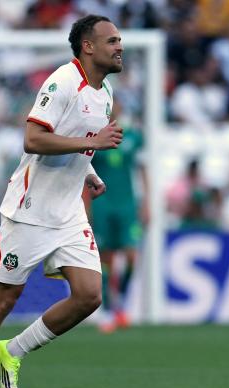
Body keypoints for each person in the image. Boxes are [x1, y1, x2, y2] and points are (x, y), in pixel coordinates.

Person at [0, 15, 124, 388]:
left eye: (120, 41)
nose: (119, 47)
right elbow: (33, 139)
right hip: (29, 212)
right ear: (88, 47)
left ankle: (13, 351)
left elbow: (77, 143)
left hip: (68, 212)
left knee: (90, 295)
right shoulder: (62, 82)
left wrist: (90, 171)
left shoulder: (105, 92)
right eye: (111, 40)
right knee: (2, 302)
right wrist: (92, 142)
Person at [90, 100, 146, 333]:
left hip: (127, 204)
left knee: (133, 255)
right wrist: (87, 207)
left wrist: (148, 202)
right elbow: (85, 173)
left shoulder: (132, 137)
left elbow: (143, 169)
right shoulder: (95, 137)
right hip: (103, 203)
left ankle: (121, 300)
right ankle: (109, 310)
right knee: (107, 258)